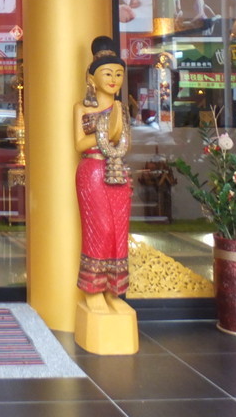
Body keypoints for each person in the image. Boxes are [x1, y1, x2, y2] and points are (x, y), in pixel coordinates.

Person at [74, 36, 133, 313]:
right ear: (92, 78)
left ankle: (114, 290)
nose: (114, 80)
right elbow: (79, 144)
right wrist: (104, 133)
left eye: (118, 74)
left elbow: (126, 142)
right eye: (108, 74)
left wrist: (114, 132)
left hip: (118, 170)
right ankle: (93, 289)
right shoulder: (82, 108)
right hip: (93, 170)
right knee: (100, 229)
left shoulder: (121, 108)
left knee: (119, 232)